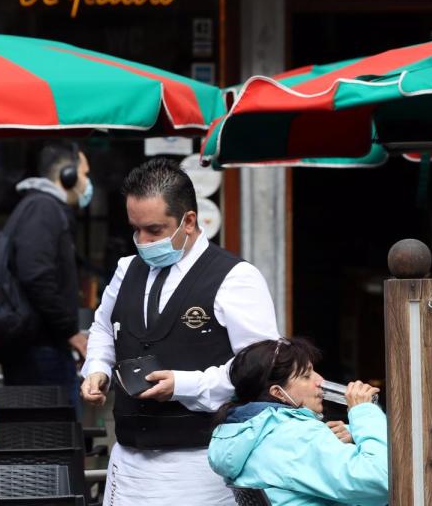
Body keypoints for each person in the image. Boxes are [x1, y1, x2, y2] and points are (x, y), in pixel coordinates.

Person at [80, 157, 280, 506]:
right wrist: (97, 368)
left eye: (154, 230)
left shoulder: (236, 278)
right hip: (127, 464)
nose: (142, 241)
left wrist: (183, 385)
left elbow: (259, 371)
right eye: (135, 229)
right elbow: (102, 327)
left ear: (189, 221)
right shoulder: (126, 269)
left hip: (201, 466)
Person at [208, 338, 389, 506]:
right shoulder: (294, 436)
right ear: (278, 393)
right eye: (306, 375)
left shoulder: (252, 432)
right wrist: (364, 412)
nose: (320, 381)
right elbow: (383, 481)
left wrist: (357, 435)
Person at [1, 141, 93, 407]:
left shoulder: (39, 207)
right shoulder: (44, 209)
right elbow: (36, 275)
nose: (87, 183)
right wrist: (70, 331)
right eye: (84, 174)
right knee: (56, 434)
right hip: (41, 349)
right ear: (68, 175)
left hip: (39, 345)